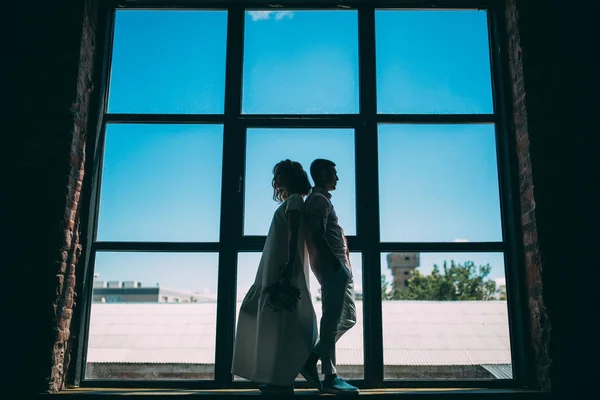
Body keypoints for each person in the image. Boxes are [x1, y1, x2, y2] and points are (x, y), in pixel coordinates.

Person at [231, 160, 318, 395]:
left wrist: (289, 265)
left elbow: (293, 235)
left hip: (281, 264)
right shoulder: (294, 201)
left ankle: (282, 377)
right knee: (277, 320)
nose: (276, 180)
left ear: (289, 177)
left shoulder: (294, 201)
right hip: (277, 263)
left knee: (280, 320)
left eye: (279, 175)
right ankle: (278, 376)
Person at [301, 158, 359, 395]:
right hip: (333, 268)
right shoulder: (318, 200)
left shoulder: (321, 200)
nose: (337, 178)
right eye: (334, 173)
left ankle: (314, 360)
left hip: (338, 267)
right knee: (332, 320)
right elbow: (317, 232)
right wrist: (336, 264)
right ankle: (329, 376)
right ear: (324, 174)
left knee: (346, 318)